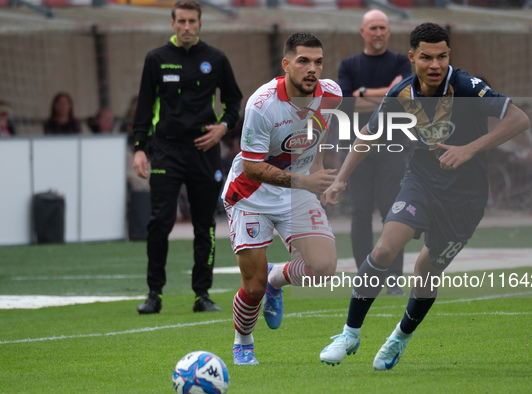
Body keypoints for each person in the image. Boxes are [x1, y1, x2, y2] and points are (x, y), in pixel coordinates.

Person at [319, 23, 530, 370]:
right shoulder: (401, 93)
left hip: (466, 198)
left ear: (449, 56)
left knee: (425, 271)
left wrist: (469, 149)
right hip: (421, 182)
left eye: (443, 56)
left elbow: (518, 119)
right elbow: (368, 136)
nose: (436, 64)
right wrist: (340, 179)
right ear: (412, 57)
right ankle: (349, 334)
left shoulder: (465, 86)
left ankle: (399, 337)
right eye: (428, 57)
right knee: (385, 248)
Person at [222, 32, 342, 365]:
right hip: (250, 195)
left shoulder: (331, 94)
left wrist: (319, 176)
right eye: (303, 61)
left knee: (323, 268)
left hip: (298, 190)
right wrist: (305, 180)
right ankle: (243, 341)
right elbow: (252, 166)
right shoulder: (262, 105)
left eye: (318, 62)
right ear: (286, 64)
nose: (312, 69)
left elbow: (320, 130)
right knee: (253, 286)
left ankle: (278, 277)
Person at [133, 0, 243, 314]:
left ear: (200, 23)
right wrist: (140, 148)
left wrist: (223, 128)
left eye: (192, 21)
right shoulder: (156, 59)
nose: (186, 27)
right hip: (166, 150)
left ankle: (202, 295)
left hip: (204, 150)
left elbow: (234, 101)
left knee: (204, 223)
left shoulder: (216, 59)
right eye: (180, 21)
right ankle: (154, 293)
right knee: (159, 221)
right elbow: (143, 107)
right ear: (172, 24)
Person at [337, 9, 412, 295]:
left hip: (393, 148)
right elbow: (347, 104)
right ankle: (365, 277)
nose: (378, 32)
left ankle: (393, 278)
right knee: (360, 214)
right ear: (363, 32)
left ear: (389, 31)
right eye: (373, 28)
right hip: (357, 148)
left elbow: (404, 99)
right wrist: (387, 93)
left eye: (383, 27)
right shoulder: (349, 65)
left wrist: (362, 94)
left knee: (393, 214)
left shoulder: (401, 61)